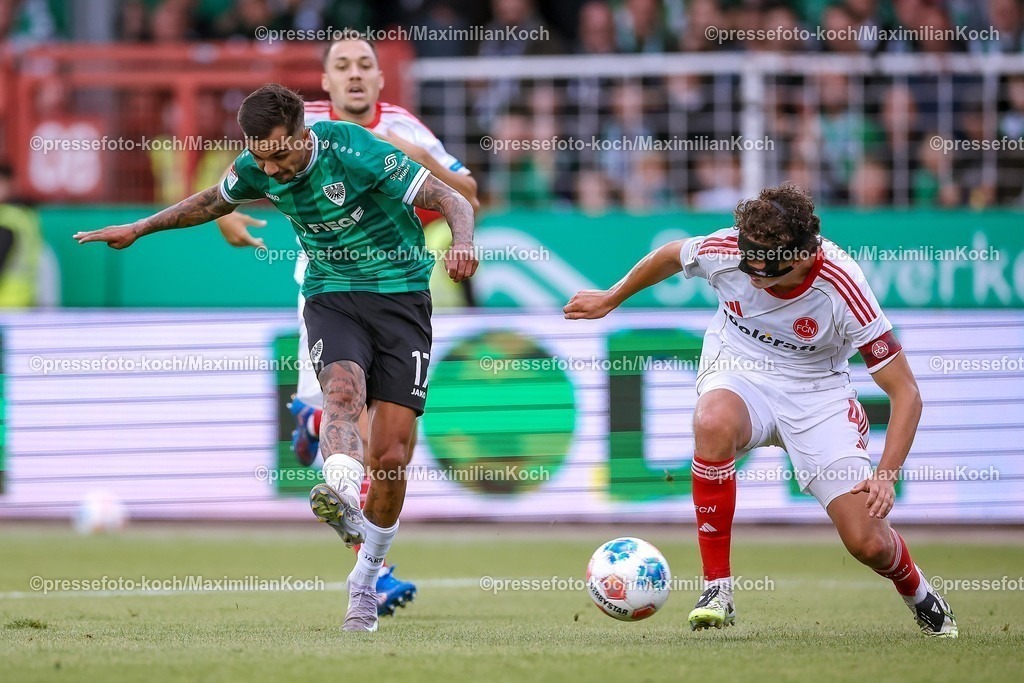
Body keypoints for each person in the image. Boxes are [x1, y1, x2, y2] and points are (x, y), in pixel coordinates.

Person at [75, 83, 478, 633]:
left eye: (282, 154)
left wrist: (462, 242)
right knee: (340, 392)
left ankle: (365, 576)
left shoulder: (357, 150)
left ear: (303, 134)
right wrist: (140, 229)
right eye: (262, 158)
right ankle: (338, 495)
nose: (274, 169)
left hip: (401, 297)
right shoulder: (259, 165)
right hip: (331, 296)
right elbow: (213, 201)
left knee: (391, 455)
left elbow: (454, 197)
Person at [563, 183, 958, 638]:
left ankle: (919, 593)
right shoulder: (728, 249)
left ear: (803, 257)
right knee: (712, 421)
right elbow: (672, 254)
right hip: (739, 367)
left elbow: (906, 393)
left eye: (765, 268)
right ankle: (717, 589)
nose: (751, 275)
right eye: (747, 260)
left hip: (817, 393)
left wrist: (886, 474)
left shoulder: (843, 287)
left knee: (867, 542)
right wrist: (612, 298)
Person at [215, 37, 480, 618]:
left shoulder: (400, 127)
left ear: (380, 80)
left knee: (387, 449)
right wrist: (228, 215)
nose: (355, 75)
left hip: (396, 288)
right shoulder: (294, 127)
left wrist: (409, 157)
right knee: (345, 405)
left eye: (365, 66)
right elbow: (235, 177)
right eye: (342, 67)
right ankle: (361, 541)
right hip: (327, 284)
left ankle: (323, 449)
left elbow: (467, 194)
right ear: (326, 86)